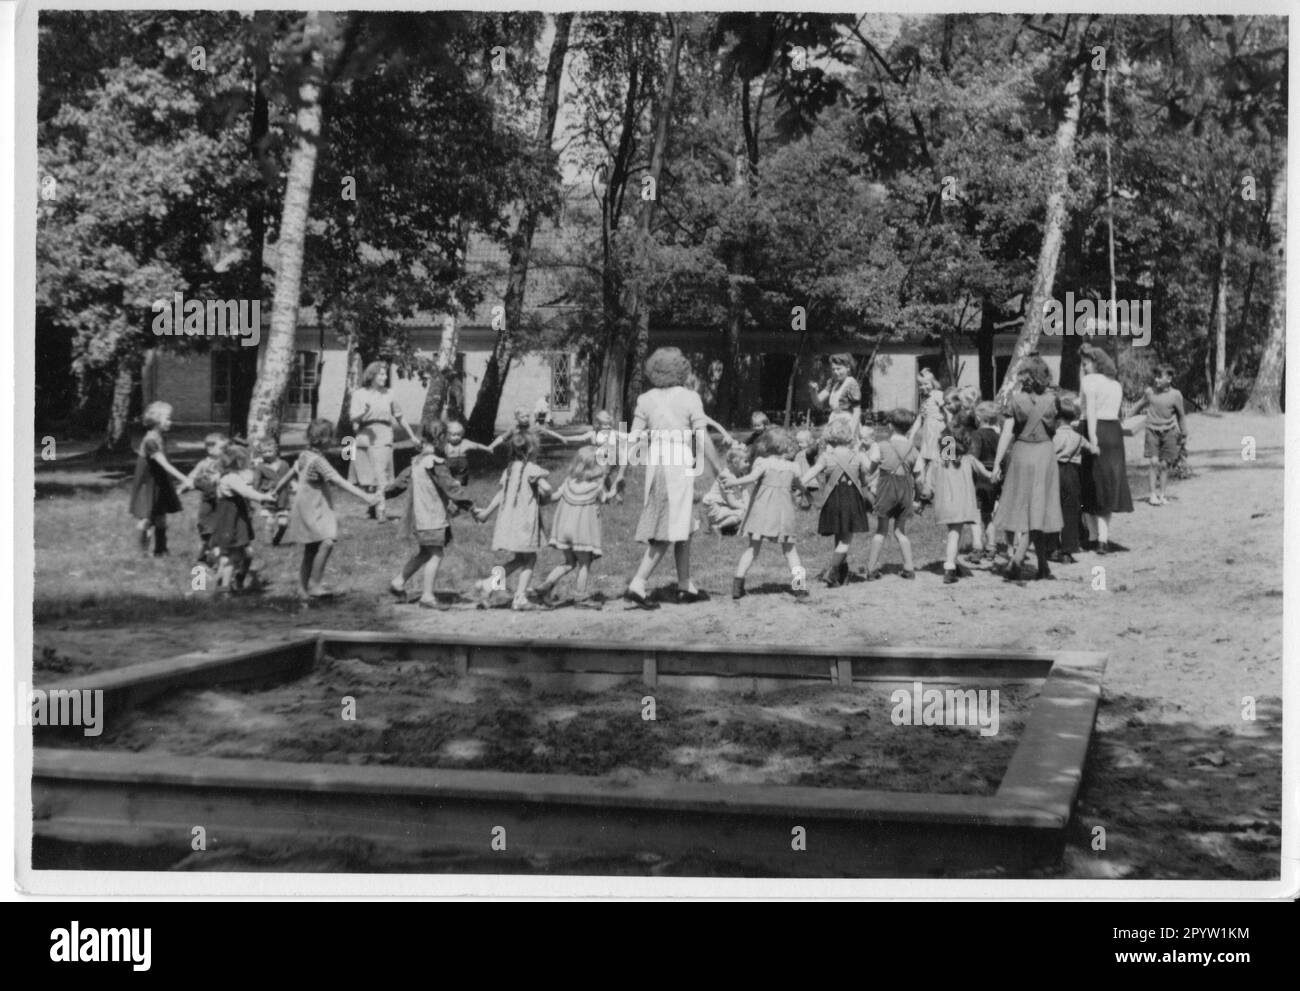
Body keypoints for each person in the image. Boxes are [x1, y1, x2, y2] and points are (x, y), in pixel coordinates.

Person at [623, 347, 726, 608]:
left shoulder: (645, 399)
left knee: (684, 526)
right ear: (682, 369)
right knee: (668, 527)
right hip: (677, 466)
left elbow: (632, 439)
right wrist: (718, 469)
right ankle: (638, 582)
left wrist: (621, 473)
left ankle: (684, 584)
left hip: (655, 464)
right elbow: (702, 438)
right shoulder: (690, 398)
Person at [280, 418, 381, 599]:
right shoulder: (318, 460)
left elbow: (291, 472)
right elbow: (338, 480)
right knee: (327, 542)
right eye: (331, 437)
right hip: (313, 508)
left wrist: (275, 490)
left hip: (308, 506)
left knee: (311, 548)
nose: (334, 440)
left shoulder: (305, 454)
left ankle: (302, 590)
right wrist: (365, 496)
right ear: (324, 439)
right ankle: (315, 584)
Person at [384, 418, 479, 610]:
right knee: (436, 554)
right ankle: (427, 596)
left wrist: (382, 494)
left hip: (419, 518)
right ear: (441, 438)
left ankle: (398, 582)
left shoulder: (416, 461)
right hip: (432, 517)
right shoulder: (435, 463)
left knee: (425, 553)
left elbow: (398, 484)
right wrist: (470, 506)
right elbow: (451, 487)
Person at [991, 356, 1064, 582]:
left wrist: (996, 464)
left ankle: (1042, 566)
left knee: (1027, 510)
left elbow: (1006, 433)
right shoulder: (1053, 401)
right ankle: (1018, 560)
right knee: (1039, 510)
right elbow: (1054, 428)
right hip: (1043, 454)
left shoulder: (1015, 400)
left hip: (1021, 454)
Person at [724, 427, 810, 600]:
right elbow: (800, 484)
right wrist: (806, 494)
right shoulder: (793, 467)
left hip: (761, 513)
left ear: (766, 445)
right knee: (790, 551)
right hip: (783, 514)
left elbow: (751, 478)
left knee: (752, 549)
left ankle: (737, 585)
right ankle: (799, 588)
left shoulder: (763, 463)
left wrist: (734, 482)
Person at [472, 429, 552, 611]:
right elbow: (546, 489)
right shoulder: (532, 469)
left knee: (519, 559)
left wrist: (486, 513)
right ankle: (520, 598)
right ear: (532, 450)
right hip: (525, 521)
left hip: (509, 521)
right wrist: (546, 494)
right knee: (530, 558)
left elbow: (502, 493)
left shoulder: (509, 469)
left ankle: (489, 584)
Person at [532, 446, 610, 609]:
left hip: (564, 531)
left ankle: (546, 586)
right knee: (584, 564)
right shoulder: (596, 486)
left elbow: (553, 497)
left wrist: (540, 494)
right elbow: (605, 499)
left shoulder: (568, 481)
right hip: (581, 533)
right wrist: (615, 489)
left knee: (569, 562)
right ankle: (580, 598)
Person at [800, 413, 871, 587]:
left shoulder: (826, 457)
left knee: (839, 536)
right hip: (851, 500)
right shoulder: (858, 455)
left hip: (832, 500)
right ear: (849, 435)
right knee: (846, 539)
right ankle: (832, 571)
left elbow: (809, 475)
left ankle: (841, 573)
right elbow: (866, 477)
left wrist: (798, 484)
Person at [1079, 343, 1133, 553]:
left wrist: (1092, 438)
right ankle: (1102, 537)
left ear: (1095, 363)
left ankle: (1094, 536)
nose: (1083, 368)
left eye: (1085, 364)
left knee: (1091, 483)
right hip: (1114, 432)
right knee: (1108, 484)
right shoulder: (1115, 384)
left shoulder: (1089, 381)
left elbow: (1091, 410)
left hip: (1096, 429)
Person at [349, 362, 419, 523]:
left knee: (381, 474)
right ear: (371, 375)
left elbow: (400, 416)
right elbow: (353, 418)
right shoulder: (359, 394)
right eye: (381, 374)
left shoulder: (390, 394)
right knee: (367, 477)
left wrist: (412, 436)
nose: (385, 377)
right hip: (364, 436)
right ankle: (372, 507)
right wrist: (364, 412)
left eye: (385, 374)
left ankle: (381, 511)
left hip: (384, 435)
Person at [863, 409, 926, 580]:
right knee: (900, 531)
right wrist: (918, 498)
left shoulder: (881, 446)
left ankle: (871, 568)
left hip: (886, 489)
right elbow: (920, 478)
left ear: (890, 426)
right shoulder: (913, 449)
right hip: (906, 489)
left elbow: (871, 468)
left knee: (881, 530)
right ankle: (909, 567)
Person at [210, 442, 277, 592]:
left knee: (245, 554)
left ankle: (232, 581)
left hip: (236, 521)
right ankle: (224, 589)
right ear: (238, 461)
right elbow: (247, 492)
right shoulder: (231, 478)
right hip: (230, 523)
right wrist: (264, 497)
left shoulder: (228, 475)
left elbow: (247, 481)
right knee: (229, 558)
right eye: (245, 460)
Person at [932, 417, 992, 583]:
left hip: (945, 504)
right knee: (954, 534)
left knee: (953, 533)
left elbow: (929, 482)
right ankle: (950, 566)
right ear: (966, 441)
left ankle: (954, 561)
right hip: (961, 504)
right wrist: (995, 474)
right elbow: (987, 475)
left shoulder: (940, 462)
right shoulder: (969, 460)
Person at [128, 401, 190, 557]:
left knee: (161, 518)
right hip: (147, 484)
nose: (170, 421)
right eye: (167, 418)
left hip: (159, 482)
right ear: (156, 420)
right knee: (147, 519)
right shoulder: (150, 440)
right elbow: (165, 464)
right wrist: (185, 479)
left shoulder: (160, 436)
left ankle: (161, 550)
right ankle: (141, 553)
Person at [1130, 364, 1187, 506]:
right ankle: (1152, 495)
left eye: (1159, 377)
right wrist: (1127, 419)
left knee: (1164, 465)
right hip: (1152, 431)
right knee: (1153, 462)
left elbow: (1181, 415)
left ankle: (1162, 494)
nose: (1156, 380)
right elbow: (1138, 405)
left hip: (1169, 432)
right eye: (1155, 376)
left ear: (1169, 378)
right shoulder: (1150, 392)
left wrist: (1184, 432)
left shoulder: (1176, 395)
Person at [1050, 392, 1086, 564]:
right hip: (1072, 473)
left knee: (1051, 508)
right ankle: (1067, 550)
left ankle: (1052, 547)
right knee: (1070, 511)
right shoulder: (1078, 437)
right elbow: (1092, 448)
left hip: (1054, 471)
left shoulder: (1053, 436)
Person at [182, 431, 228, 565]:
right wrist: (185, 485)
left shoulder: (225, 462)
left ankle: (215, 554)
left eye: (225, 448)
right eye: (221, 448)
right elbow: (192, 476)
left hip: (222, 500)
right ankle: (206, 550)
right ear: (210, 448)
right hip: (208, 500)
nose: (224, 451)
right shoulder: (203, 463)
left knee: (221, 527)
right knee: (205, 524)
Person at [967, 402, 1003, 562]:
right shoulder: (998, 436)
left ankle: (977, 547)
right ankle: (992, 546)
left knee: (975, 515)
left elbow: (973, 458)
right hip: (995, 479)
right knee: (988, 514)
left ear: (978, 417)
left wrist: (986, 473)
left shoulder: (977, 435)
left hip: (981, 478)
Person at [909, 368, 945, 493]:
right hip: (928, 432)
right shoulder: (924, 399)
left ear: (933, 383)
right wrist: (911, 435)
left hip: (939, 430)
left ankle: (932, 488)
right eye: (920, 385)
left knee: (940, 458)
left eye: (926, 384)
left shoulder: (938, 394)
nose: (923, 387)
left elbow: (947, 411)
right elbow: (920, 418)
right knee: (925, 457)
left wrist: (950, 430)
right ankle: (922, 485)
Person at [701, 445, 751, 535]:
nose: (748, 464)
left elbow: (745, 496)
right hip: (715, 507)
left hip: (724, 505)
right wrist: (747, 509)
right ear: (735, 463)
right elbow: (731, 502)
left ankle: (733, 527)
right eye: (746, 461)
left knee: (747, 511)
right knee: (742, 512)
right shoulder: (726, 477)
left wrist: (749, 507)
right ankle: (717, 526)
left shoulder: (740, 475)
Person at [254, 439, 294, 545]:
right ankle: (268, 543)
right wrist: (260, 492)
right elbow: (256, 482)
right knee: (270, 521)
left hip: (283, 498)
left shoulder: (284, 464)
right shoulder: (260, 467)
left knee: (283, 523)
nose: (267, 454)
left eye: (269, 451)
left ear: (275, 451)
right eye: (264, 452)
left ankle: (276, 539)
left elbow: (289, 477)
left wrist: (293, 485)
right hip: (270, 498)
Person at [808, 354, 862, 431]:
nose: (836, 372)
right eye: (833, 369)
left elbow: (857, 411)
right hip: (834, 423)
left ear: (848, 368)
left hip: (848, 424)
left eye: (839, 369)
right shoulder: (833, 382)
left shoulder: (851, 383)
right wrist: (813, 391)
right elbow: (817, 401)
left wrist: (851, 432)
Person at [442, 419, 493, 489]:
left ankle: (459, 495)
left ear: (462, 434)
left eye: (458, 434)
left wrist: (487, 448)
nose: (456, 437)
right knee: (448, 484)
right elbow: (436, 451)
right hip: (449, 469)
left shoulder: (464, 443)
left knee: (459, 485)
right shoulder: (445, 445)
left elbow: (477, 446)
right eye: (453, 435)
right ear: (447, 435)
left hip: (461, 471)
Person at [793, 428, 820, 509]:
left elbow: (813, 451)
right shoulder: (798, 453)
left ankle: (794, 506)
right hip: (799, 477)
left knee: (798, 492)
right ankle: (813, 505)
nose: (799, 444)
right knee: (805, 492)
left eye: (801, 442)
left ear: (808, 443)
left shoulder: (808, 453)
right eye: (798, 442)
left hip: (806, 477)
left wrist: (816, 445)